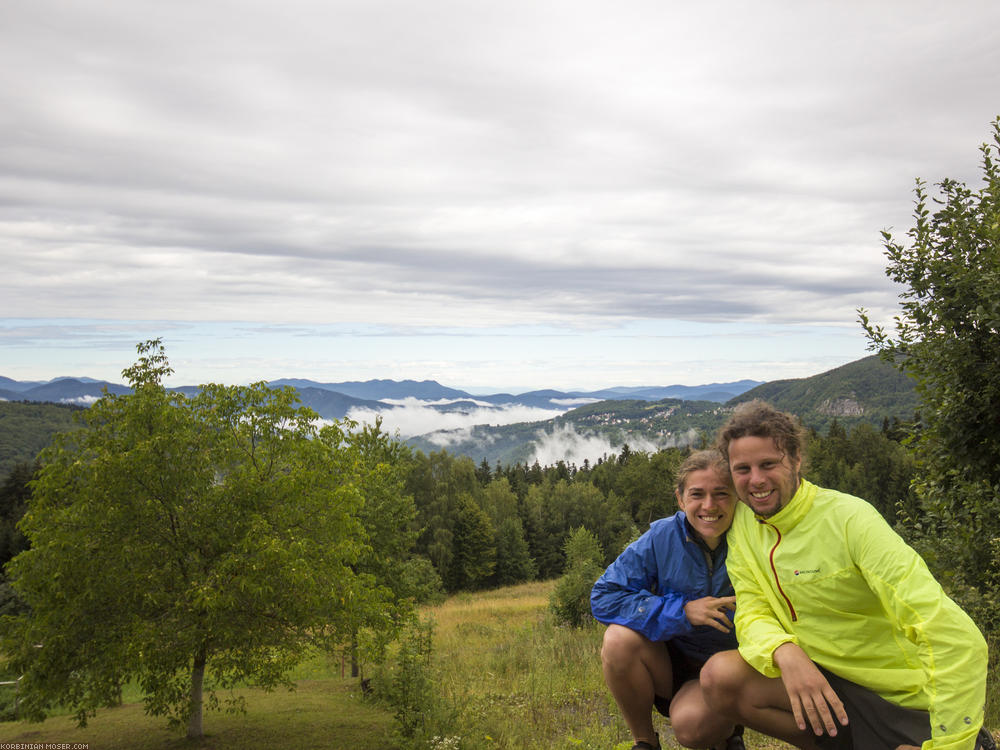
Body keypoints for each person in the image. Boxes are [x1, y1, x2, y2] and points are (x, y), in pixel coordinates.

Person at [701, 399, 993, 750]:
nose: (756, 480)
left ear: (796, 460)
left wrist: (951, 744)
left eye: (768, 464)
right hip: (827, 684)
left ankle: (968, 741)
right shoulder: (744, 524)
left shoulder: (850, 520)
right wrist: (784, 652)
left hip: (900, 698)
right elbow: (752, 607)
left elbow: (956, 638)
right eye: (742, 469)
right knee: (721, 677)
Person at [591, 449, 747, 750]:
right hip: (672, 661)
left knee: (691, 730)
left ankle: (728, 736)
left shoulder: (754, 535)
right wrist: (683, 612)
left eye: (721, 494)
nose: (709, 506)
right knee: (617, 641)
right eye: (697, 494)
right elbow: (604, 596)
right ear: (680, 499)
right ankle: (645, 742)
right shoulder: (661, 537)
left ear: (737, 496)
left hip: (731, 665)